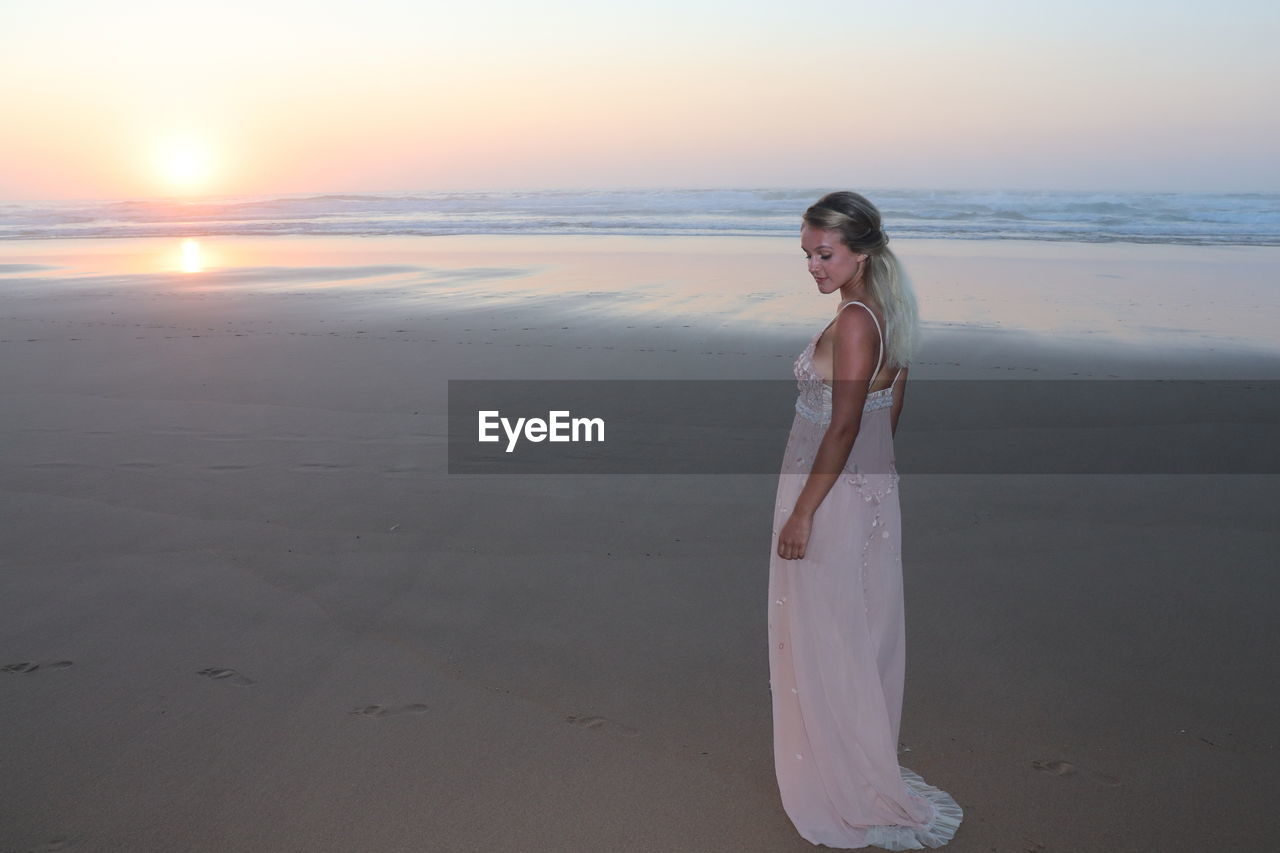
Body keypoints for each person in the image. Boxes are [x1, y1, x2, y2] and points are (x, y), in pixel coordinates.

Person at [768, 191, 962, 849]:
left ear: (861, 250)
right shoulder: (889, 310)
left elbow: (846, 423)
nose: (814, 266)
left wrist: (803, 511)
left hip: (827, 494)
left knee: (831, 632)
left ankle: (843, 777)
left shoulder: (855, 321)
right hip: (859, 491)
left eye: (825, 254)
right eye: (807, 254)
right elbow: (890, 412)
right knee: (854, 627)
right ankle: (849, 757)